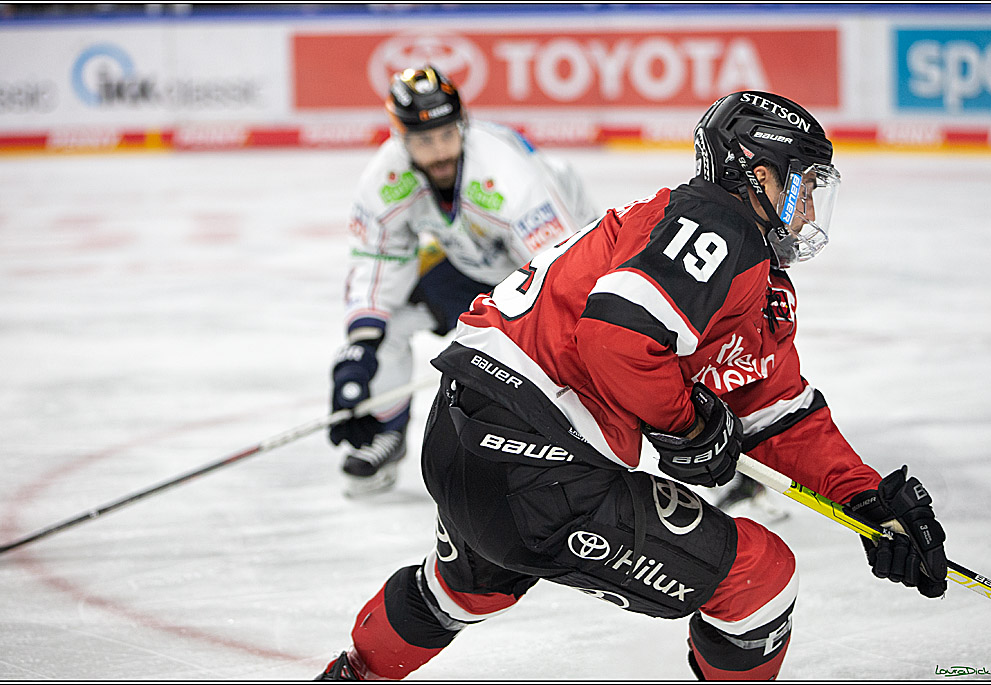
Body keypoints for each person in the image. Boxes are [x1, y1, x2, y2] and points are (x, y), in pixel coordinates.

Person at [316, 91, 949, 680]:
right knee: (759, 579)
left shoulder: (729, 262)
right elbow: (617, 332)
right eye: (803, 186)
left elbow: (774, 412)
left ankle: (353, 672)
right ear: (759, 176)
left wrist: (867, 501)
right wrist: (687, 426)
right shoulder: (718, 228)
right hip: (537, 459)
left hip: (465, 434)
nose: (810, 210)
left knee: (467, 587)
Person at [329, 65, 598, 496]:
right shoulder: (388, 177)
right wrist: (360, 346)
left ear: (463, 126)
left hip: (552, 263)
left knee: (552, 350)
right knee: (388, 325)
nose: (437, 153)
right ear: (401, 138)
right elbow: (378, 258)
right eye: (422, 140)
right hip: (472, 263)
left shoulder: (508, 177)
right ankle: (388, 429)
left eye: (445, 136)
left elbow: (563, 271)